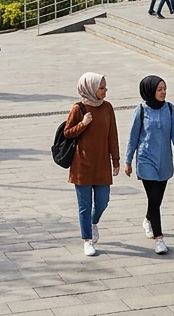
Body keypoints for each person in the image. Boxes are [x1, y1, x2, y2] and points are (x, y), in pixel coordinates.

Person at [124, 76, 174, 255]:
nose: (163, 92)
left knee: (157, 199)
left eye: (164, 88)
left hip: (164, 161)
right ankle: (159, 239)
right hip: (146, 160)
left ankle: (148, 219)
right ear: (149, 91)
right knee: (154, 198)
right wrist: (127, 161)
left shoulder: (170, 109)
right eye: (159, 89)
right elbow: (133, 137)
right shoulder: (141, 110)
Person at [65, 72, 120, 257]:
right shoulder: (78, 108)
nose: (105, 90)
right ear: (90, 88)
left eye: (105, 87)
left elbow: (113, 134)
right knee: (84, 205)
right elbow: (67, 133)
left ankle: (93, 222)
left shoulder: (108, 107)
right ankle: (87, 240)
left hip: (102, 163)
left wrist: (116, 160)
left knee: (103, 201)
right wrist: (83, 124)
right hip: (82, 164)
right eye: (101, 87)